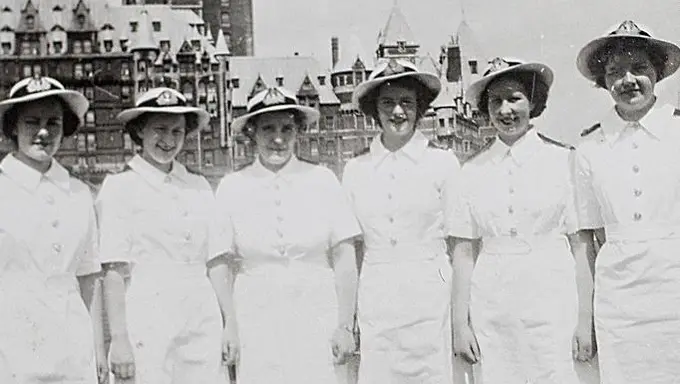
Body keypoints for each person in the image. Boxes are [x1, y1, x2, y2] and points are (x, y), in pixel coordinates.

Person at [449, 57, 597, 384]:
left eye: (514, 98)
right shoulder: (471, 171)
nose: (505, 110)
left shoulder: (564, 161)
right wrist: (461, 325)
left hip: (554, 305)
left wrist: (585, 320)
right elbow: (463, 253)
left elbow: (581, 246)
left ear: (533, 102)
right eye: (495, 101)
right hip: (493, 308)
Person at [211, 86, 361, 383]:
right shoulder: (232, 186)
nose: (277, 139)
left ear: (298, 132)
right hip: (256, 315)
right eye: (267, 128)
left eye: (286, 128)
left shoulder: (322, 180)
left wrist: (345, 325)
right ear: (252, 132)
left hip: (316, 311)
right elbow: (219, 263)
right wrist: (230, 323)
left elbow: (345, 259)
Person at [97, 87, 229, 384]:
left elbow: (216, 261)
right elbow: (114, 271)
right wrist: (118, 339)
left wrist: (229, 322)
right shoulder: (120, 187)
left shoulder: (198, 186)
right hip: (147, 316)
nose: (168, 140)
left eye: (177, 131)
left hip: (201, 315)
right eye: (159, 129)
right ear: (140, 131)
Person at [572, 20, 680, 384]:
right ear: (603, 82)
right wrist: (584, 316)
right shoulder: (588, 148)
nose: (628, 80)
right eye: (615, 72)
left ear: (658, 74)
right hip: (619, 301)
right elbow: (587, 240)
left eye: (640, 68)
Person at [342, 58, 460, 384]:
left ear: (420, 107)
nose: (397, 112)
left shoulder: (443, 164)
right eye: (388, 103)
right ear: (374, 109)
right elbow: (352, 250)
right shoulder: (356, 170)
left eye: (406, 102)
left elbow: (458, 243)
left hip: (430, 297)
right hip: (376, 297)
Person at [0, 76, 105, 383]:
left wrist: (98, 348)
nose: (43, 132)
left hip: (72, 338)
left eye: (54, 123)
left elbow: (89, 278)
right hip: (13, 337)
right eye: (32, 121)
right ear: (13, 127)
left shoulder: (78, 193)